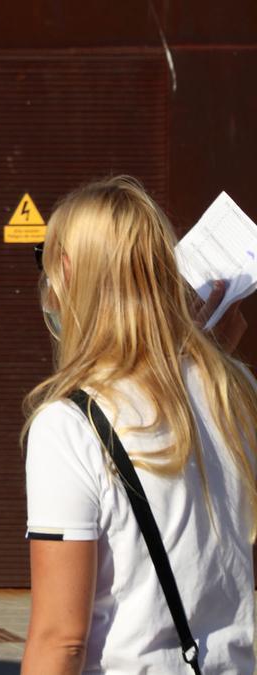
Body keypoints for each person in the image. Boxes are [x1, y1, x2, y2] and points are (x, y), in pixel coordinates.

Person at [21, 176, 257, 674]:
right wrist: (207, 352)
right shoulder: (236, 391)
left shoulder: (68, 426)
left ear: (68, 271)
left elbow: (60, 638)